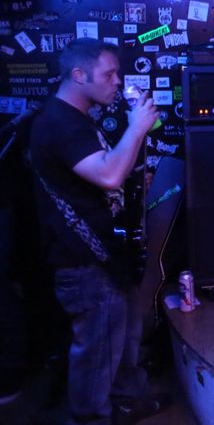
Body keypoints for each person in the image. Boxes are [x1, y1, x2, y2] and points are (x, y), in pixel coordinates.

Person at [29, 38, 167, 425]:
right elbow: (107, 175)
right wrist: (136, 129)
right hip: (83, 259)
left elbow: (98, 175)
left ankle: (128, 400)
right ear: (79, 75)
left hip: (106, 253)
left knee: (120, 340)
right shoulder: (60, 123)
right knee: (97, 352)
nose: (117, 82)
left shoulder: (76, 119)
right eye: (109, 74)